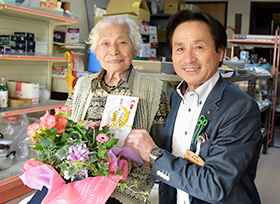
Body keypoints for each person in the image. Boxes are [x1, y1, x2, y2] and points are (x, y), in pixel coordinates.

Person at [123, 10, 263, 204]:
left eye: (198, 47)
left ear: (220, 52)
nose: (188, 59)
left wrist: (154, 155)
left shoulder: (240, 108)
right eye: (180, 49)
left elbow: (214, 186)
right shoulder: (177, 97)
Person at [27, 15, 169, 204]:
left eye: (122, 42)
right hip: (74, 177)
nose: (114, 51)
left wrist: (131, 164)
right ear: (95, 50)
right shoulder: (83, 85)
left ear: (134, 48)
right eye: (105, 43)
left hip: (121, 186)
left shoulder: (154, 89)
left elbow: (162, 151)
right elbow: (64, 128)